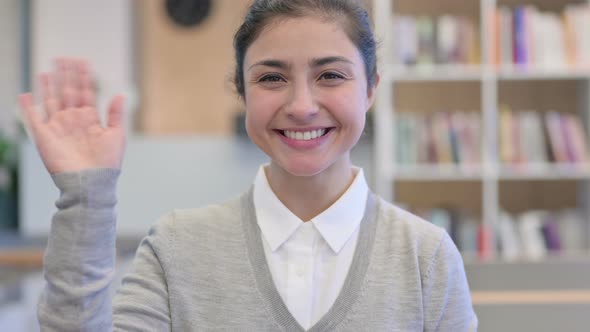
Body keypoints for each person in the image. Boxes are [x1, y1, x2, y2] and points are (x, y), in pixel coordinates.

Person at [18, 0, 478, 331]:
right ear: (242, 91)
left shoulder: (426, 257)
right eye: (271, 78)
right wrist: (86, 197)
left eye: (331, 75)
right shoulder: (177, 248)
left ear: (371, 88)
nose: (301, 106)